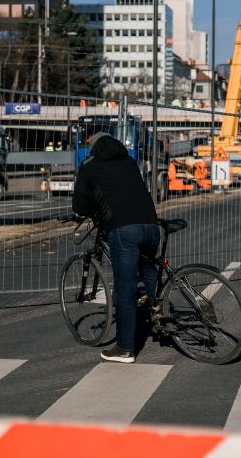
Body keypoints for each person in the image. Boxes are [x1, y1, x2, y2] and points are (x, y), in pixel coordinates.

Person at [73, 132, 159, 364]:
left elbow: (80, 203)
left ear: (93, 148)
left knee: (125, 289)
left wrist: (88, 210)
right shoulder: (129, 161)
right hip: (152, 227)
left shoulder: (89, 165)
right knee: (150, 272)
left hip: (124, 231)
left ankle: (124, 348)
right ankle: (159, 315)